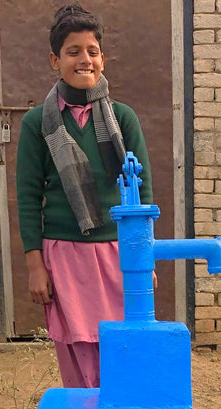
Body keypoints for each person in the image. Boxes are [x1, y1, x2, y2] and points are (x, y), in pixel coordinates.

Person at [16, 3, 153, 388]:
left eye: (92, 51)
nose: (84, 60)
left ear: (102, 59)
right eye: (73, 51)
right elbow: (28, 197)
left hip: (117, 253)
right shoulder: (37, 123)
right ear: (55, 60)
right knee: (77, 352)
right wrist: (35, 266)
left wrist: (144, 259)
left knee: (122, 346)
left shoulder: (123, 118)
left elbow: (142, 190)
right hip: (64, 255)